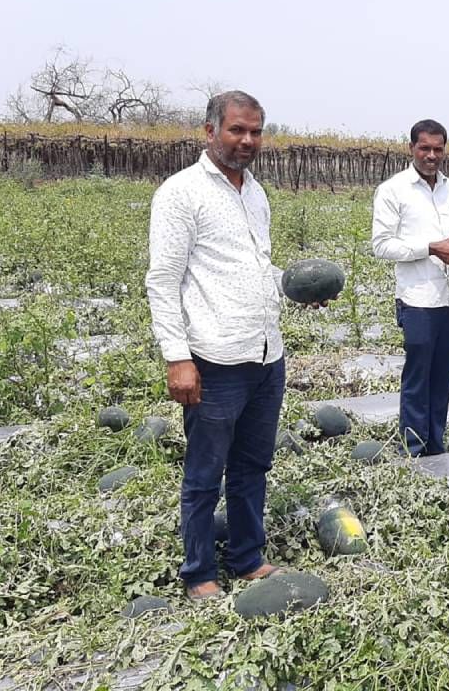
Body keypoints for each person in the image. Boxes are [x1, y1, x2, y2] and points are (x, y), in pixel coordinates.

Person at [146, 90, 299, 600]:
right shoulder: (180, 193)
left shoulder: (256, 193)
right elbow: (163, 281)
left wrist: (293, 288)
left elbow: (258, 267)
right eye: (237, 130)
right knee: (205, 472)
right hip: (213, 358)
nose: (248, 140)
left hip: (265, 355)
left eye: (255, 131)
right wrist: (177, 357)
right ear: (210, 131)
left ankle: (247, 557)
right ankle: (199, 573)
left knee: (254, 465)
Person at [372, 119, 449, 457]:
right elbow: (382, 245)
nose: (431, 155)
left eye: (438, 149)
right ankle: (412, 448)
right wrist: (430, 248)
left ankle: (436, 446)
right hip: (417, 300)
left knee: (443, 377)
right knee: (417, 378)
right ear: (411, 147)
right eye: (424, 148)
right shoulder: (393, 190)